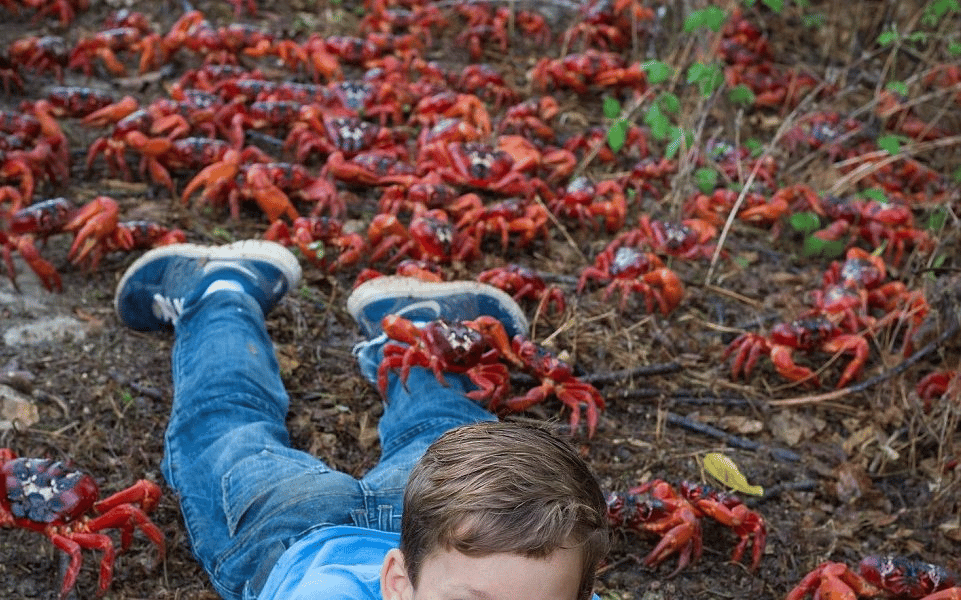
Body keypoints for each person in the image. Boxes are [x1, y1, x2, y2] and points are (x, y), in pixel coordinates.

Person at [113, 239, 610, 600]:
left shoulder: (463, 575)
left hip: (434, 524)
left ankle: (413, 322)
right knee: (224, 427)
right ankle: (220, 289)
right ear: (397, 586)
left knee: (442, 428)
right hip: (292, 530)